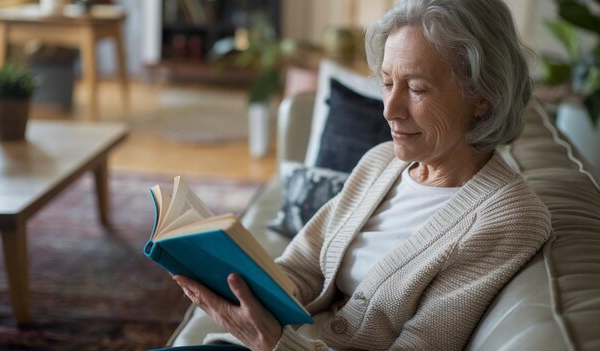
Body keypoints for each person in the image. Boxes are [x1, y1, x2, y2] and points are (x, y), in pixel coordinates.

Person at [172, 0, 552, 350]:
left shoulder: (508, 218)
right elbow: (303, 265)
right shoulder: (381, 161)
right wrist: (240, 291)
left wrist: (274, 343)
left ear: (483, 96)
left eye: (417, 88)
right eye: (387, 83)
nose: (389, 110)